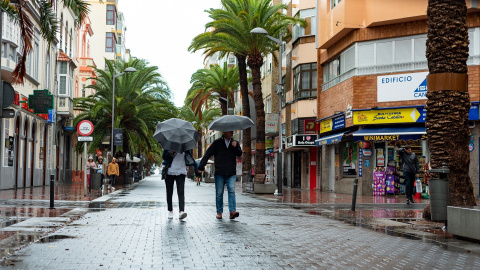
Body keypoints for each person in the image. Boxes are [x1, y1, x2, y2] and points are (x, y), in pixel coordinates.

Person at [197, 131, 242, 220]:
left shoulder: (235, 143)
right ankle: (219, 212)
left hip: (231, 172)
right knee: (219, 193)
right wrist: (201, 166)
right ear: (224, 132)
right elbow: (207, 154)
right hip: (220, 172)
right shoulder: (217, 143)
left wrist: (236, 146)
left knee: (231, 191)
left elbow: (239, 154)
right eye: (230, 131)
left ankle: (232, 211)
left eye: (232, 131)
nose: (232, 133)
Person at [162, 149, 198, 220]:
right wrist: (170, 152)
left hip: (181, 171)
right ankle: (170, 211)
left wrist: (197, 166)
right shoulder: (169, 146)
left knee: (181, 192)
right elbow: (164, 157)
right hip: (170, 171)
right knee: (169, 192)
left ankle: (181, 211)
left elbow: (190, 158)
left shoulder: (185, 146)